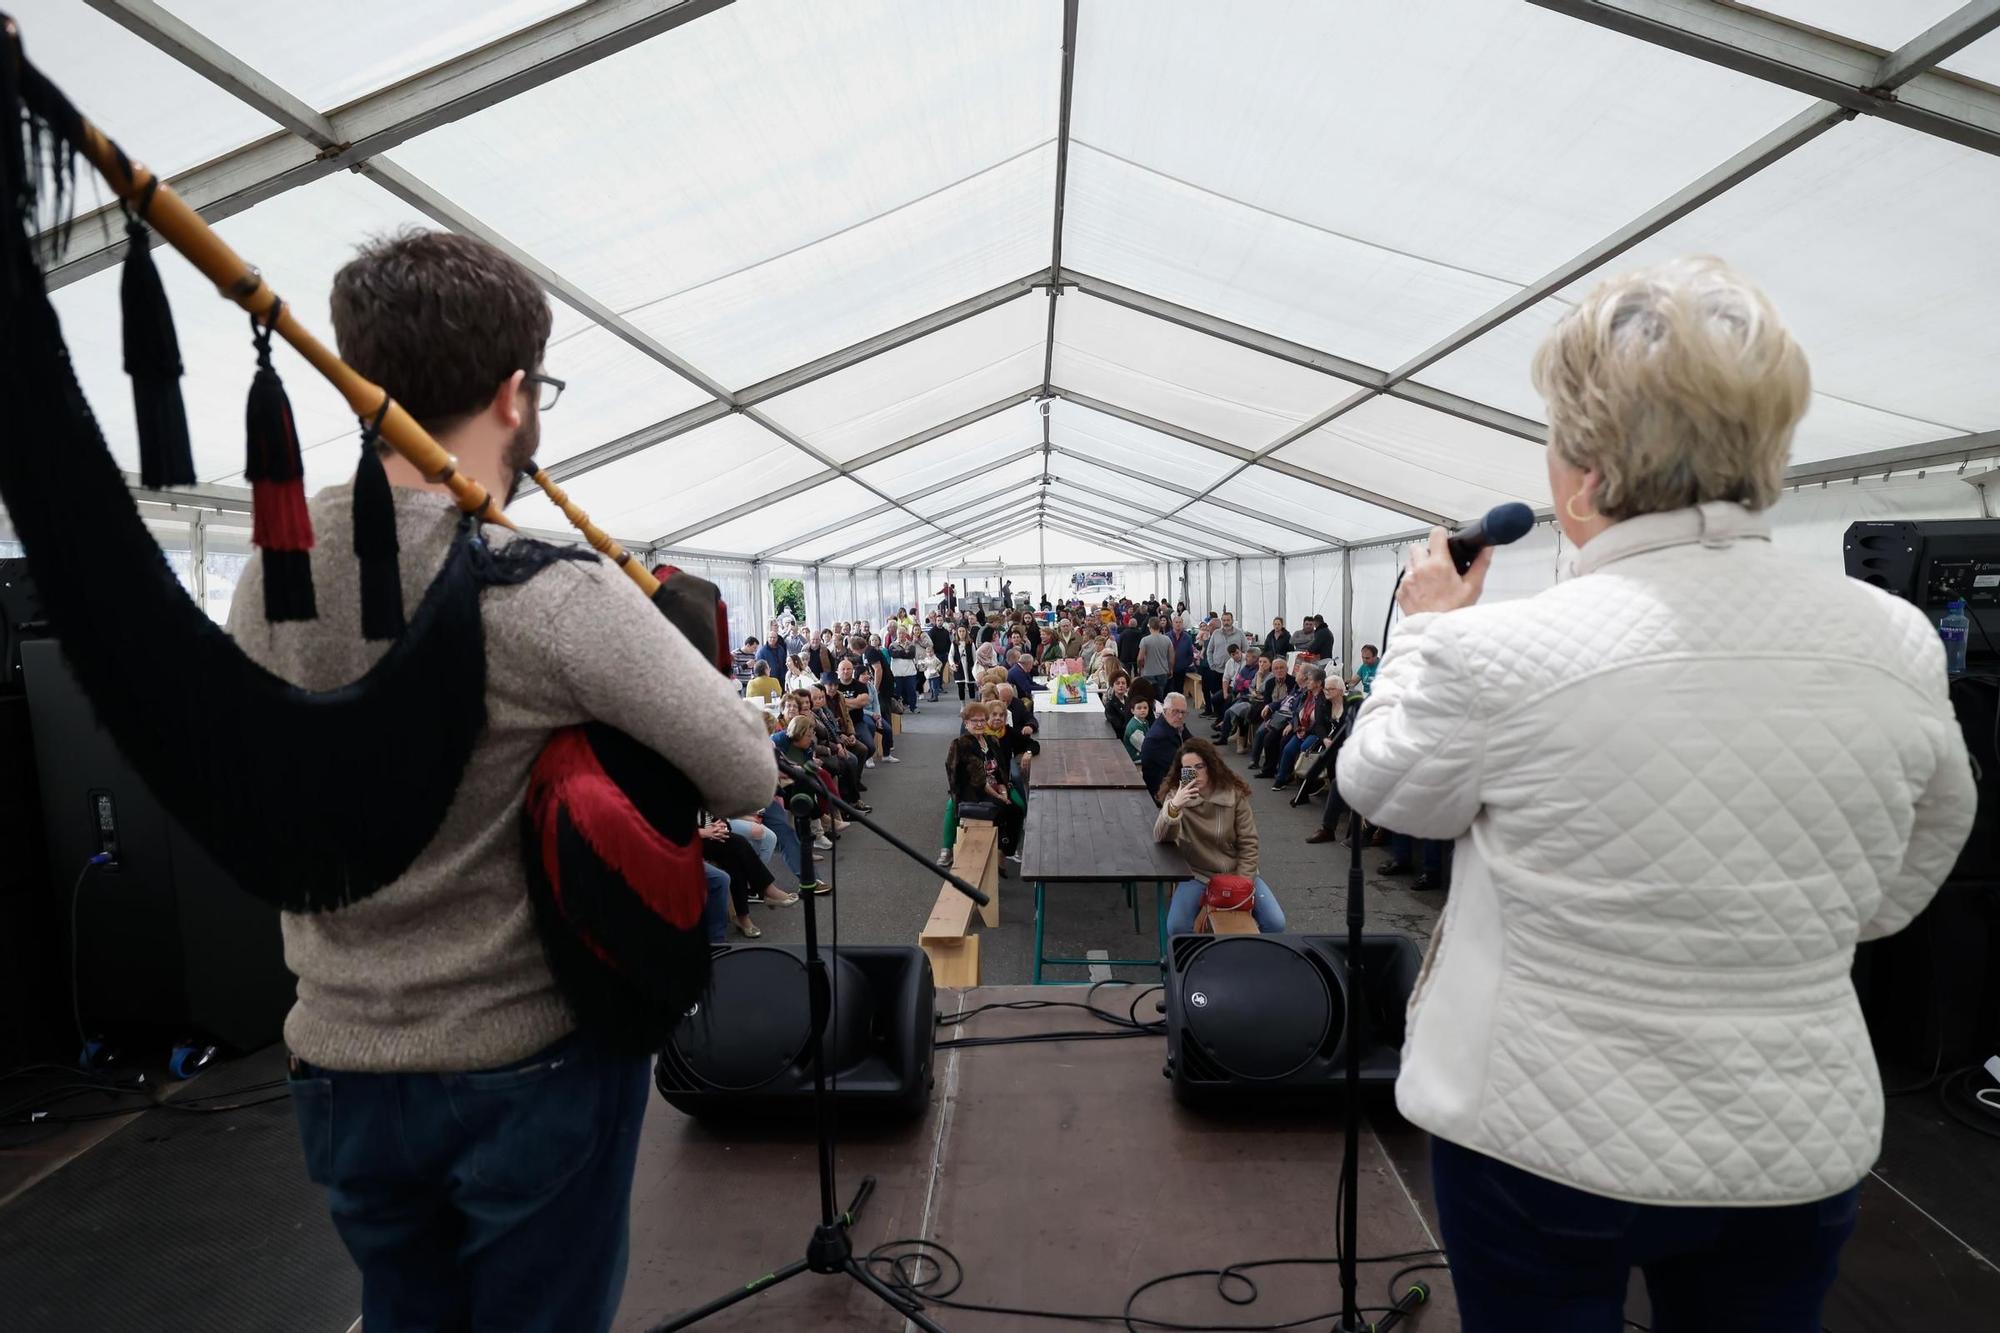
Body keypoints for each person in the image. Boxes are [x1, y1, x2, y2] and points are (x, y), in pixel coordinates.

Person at [1336, 256, 1975, 1328]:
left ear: (1581, 474)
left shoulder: (1499, 649)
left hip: (1537, 1137)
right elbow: (1907, 869)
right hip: (1790, 1136)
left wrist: (1427, 625)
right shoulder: (1894, 640)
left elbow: (1381, 783)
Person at [232, 229, 776, 1333]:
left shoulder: (268, 572)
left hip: (337, 1058)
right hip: (518, 1062)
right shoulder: (541, 589)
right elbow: (743, 766)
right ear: (515, 394)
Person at [1154, 738, 1285, 934]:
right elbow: (1161, 837)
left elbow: (1249, 841)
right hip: (1198, 874)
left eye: (1199, 766)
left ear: (1211, 765)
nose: (1195, 773)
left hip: (1236, 870)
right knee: (1177, 927)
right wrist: (1174, 807)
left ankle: (1256, 957)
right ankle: (1195, 960)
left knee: (1275, 923)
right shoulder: (1177, 795)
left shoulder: (1233, 794)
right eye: (1188, 769)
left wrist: (1244, 882)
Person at [1270, 666, 1336, 789]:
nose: (1307, 682)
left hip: (1316, 732)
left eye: (1310, 680)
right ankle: (1281, 778)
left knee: (1305, 747)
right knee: (1288, 749)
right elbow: (1296, 712)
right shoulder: (1306, 694)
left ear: (1319, 683)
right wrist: (1297, 727)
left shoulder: (1324, 700)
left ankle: (1308, 783)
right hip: (1302, 729)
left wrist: (1306, 731)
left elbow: (1322, 723)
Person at [1138, 691, 1192, 798]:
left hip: (1174, 781)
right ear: (1165, 710)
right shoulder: (1158, 738)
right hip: (1163, 791)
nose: (1180, 716)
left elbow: (1195, 745)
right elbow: (1178, 768)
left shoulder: (1174, 725)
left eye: (1183, 712)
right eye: (1175, 711)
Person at [1200, 611, 1247, 718]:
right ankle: (1220, 717)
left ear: (1232, 620)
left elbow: (1246, 650)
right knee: (1217, 696)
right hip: (1218, 670)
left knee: (1228, 698)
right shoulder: (1216, 633)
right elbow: (1209, 650)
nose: (1226, 622)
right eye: (1224, 620)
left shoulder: (1239, 633)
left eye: (1228, 620)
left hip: (1233, 673)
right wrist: (1212, 665)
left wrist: (1241, 664)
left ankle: (1224, 719)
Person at [1136, 617, 1174, 697]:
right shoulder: (1167, 639)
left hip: (1148, 672)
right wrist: (1170, 669)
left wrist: (1140, 669)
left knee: (1149, 696)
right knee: (1160, 694)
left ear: (1149, 626)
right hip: (1163, 671)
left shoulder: (1145, 640)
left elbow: (1140, 658)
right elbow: (1171, 657)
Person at [1121, 693, 1155, 764]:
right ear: (1132, 711)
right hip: (1135, 757)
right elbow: (1144, 748)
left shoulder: (1144, 721)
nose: (1143, 710)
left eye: (1145, 708)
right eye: (1139, 708)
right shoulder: (1134, 727)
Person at [949, 626, 979, 701]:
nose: (962, 633)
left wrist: (975, 667)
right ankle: (963, 705)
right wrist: (952, 664)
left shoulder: (970, 643)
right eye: (960, 631)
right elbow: (950, 655)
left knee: (971, 686)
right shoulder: (954, 644)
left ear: (966, 632)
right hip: (959, 667)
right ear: (957, 633)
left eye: (963, 631)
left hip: (969, 667)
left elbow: (974, 656)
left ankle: (972, 703)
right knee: (961, 687)